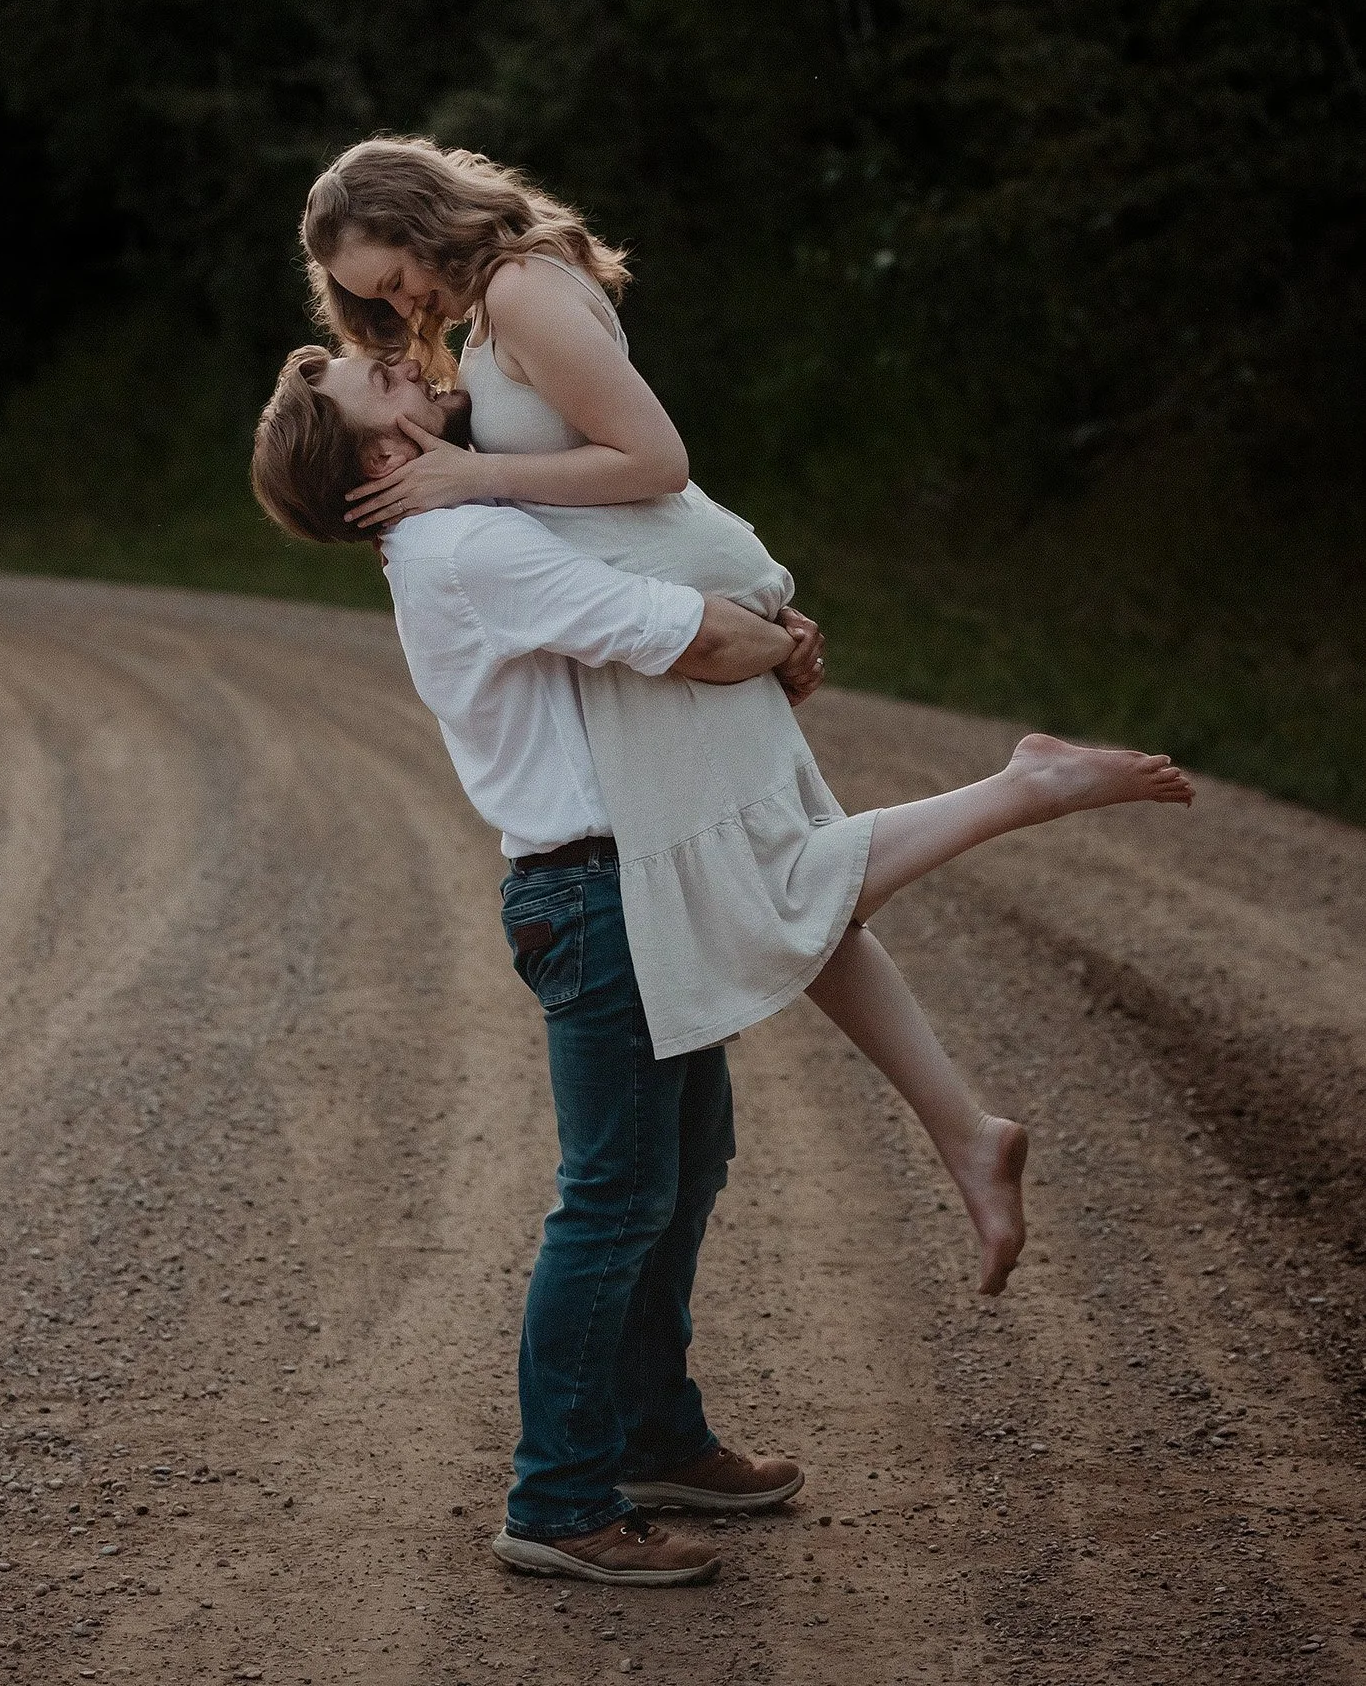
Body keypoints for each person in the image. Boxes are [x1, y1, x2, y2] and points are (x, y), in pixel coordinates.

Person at [249, 346, 1193, 1588]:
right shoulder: (467, 549)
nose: (391, 358)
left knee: (679, 1170)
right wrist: (765, 632)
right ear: (377, 459)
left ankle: (653, 1439)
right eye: (364, 383)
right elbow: (685, 633)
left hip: (620, 879)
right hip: (594, 895)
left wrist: (767, 632)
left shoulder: (476, 523)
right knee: (613, 1195)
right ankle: (557, 1500)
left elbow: (684, 598)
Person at [294, 138, 1192, 1284]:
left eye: (396, 273)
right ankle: (965, 1134)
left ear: (424, 216)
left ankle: (1027, 786)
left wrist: (476, 477)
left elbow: (655, 460)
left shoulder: (518, 288)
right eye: (374, 301)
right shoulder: (493, 311)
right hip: (669, 615)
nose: (399, 302)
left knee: (772, 883)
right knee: (788, 884)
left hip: (673, 613)